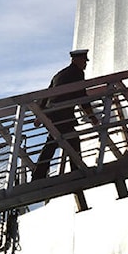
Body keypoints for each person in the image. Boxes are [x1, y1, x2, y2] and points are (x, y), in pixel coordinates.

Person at [33, 49, 97, 180]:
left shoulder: (59, 74)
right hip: (63, 115)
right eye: (84, 61)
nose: (85, 64)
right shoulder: (77, 73)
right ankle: (76, 171)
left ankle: (38, 175)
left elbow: (47, 94)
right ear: (76, 60)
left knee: (53, 143)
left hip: (51, 114)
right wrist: (92, 117)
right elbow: (82, 96)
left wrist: (39, 116)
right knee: (71, 141)